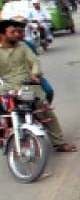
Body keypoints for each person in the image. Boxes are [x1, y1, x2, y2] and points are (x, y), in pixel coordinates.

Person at [0, 19, 75, 151]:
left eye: (17, 32)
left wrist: (35, 73)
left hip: (27, 87)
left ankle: (59, 143)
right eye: (12, 32)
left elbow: (35, 61)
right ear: (2, 35)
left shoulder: (23, 46)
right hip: (7, 88)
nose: (17, 34)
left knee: (43, 109)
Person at [11, 17, 54, 103]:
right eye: (18, 32)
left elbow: (35, 61)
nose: (21, 34)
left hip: (29, 78)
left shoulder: (28, 45)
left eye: (22, 31)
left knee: (48, 92)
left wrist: (35, 75)